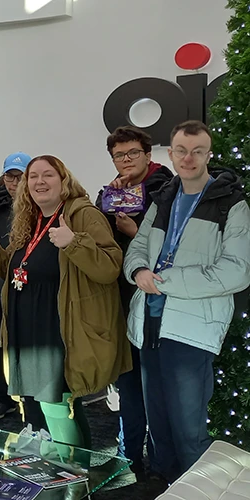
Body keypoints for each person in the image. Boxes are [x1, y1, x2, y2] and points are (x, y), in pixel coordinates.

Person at [124, 120, 250, 482]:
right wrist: (137, 272)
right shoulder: (164, 197)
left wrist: (165, 281)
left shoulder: (231, 203)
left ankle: (193, 490)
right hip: (149, 324)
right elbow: (137, 248)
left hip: (191, 330)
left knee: (187, 431)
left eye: (197, 151)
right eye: (181, 150)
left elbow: (237, 271)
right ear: (170, 153)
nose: (189, 158)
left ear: (209, 153)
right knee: (159, 428)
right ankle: (164, 487)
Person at [0, 155, 131, 448]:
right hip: (26, 328)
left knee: (58, 406)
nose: (39, 182)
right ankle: (51, 473)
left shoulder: (82, 214)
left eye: (48, 175)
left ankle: (76, 480)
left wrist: (73, 242)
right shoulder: (30, 219)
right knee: (34, 408)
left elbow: (111, 267)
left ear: (64, 180)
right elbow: (22, 273)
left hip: (57, 330)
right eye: (33, 176)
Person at [96, 126, 172, 473]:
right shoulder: (111, 193)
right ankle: (129, 454)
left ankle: (160, 459)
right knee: (127, 379)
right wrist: (105, 205)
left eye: (132, 154)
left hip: (159, 302)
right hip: (122, 301)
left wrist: (135, 232)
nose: (126, 161)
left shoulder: (170, 190)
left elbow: (175, 246)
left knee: (157, 383)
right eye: (119, 155)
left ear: (148, 155)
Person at [0, 152, 47, 429]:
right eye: (10, 176)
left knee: (30, 344)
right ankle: (3, 396)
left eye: (20, 176)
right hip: (2, 285)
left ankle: (31, 398)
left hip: (33, 289)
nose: (14, 182)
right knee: (2, 343)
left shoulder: (40, 205)